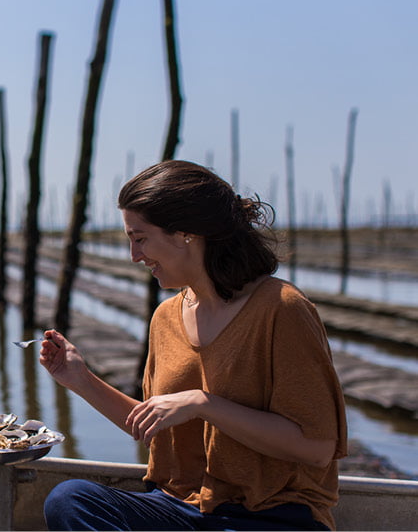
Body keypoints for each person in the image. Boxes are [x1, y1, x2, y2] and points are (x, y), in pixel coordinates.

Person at [40, 160, 345, 531]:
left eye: (140, 238)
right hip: (180, 509)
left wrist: (205, 404)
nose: (135, 256)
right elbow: (154, 421)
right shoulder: (165, 317)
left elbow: (316, 449)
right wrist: (80, 379)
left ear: (187, 233)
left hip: (272, 516)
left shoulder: (281, 308)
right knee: (70, 499)